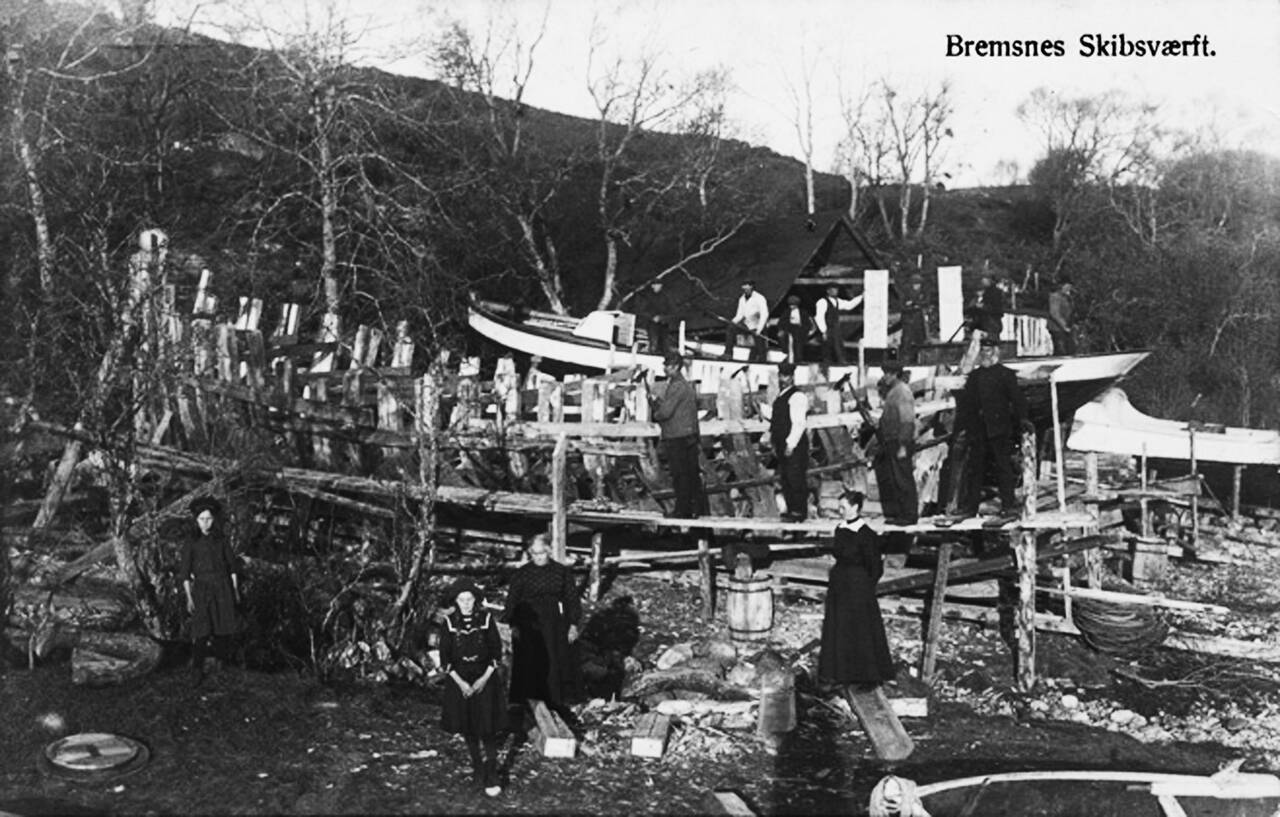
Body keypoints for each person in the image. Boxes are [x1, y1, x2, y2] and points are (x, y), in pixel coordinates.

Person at [817, 490, 895, 690]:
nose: (840, 511)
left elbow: (875, 567)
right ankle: (839, 674)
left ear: (855, 508)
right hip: (839, 586)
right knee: (840, 628)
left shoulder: (866, 534)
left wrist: (864, 588)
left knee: (861, 630)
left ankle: (868, 677)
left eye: (844, 507)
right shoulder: (840, 529)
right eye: (839, 507)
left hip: (858, 587)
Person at [439, 580, 507, 797]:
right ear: (455, 601)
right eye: (461, 600)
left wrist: (482, 679)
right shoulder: (449, 622)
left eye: (469, 599)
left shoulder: (486, 619)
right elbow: (445, 657)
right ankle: (478, 768)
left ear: (475, 600)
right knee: (468, 725)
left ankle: (492, 771)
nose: (466, 604)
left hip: (484, 677)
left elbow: (497, 652)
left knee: (486, 726)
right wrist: (461, 683)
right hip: (459, 679)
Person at [504, 534, 582, 715]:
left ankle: (555, 700)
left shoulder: (561, 572)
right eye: (534, 553)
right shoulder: (522, 573)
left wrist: (573, 624)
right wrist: (511, 623)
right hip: (528, 622)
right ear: (530, 553)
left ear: (548, 551)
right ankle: (526, 701)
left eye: (542, 553)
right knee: (529, 660)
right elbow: (512, 601)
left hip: (553, 622)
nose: (538, 557)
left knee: (554, 660)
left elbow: (571, 599)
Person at [957, 338, 1030, 516]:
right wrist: (965, 427)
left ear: (995, 352)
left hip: (999, 429)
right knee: (976, 468)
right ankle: (970, 508)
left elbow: (1017, 400)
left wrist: (1024, 421)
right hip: (979, 430)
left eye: (988, 351)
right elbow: (966, 405)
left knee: (1003, 467)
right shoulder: (974, 377)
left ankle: (1008, 506)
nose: (985, 355)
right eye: (982, 351)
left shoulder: (1005, 375)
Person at [179, 497, 242, 686]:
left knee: (223, 630)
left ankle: (219, 666)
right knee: (201, 631)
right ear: (195, 520)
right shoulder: (191, 542)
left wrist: (235, 591)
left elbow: (232, 568)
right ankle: (197, 670)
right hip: (202, 589)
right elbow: (184, 574)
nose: (205, 523)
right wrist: (189, 598)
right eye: (201, 519)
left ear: (214, 519)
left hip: (222, 588)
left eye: (208, 519)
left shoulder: (221, 540)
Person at [649, 352, 707, 518]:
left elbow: (666, 413)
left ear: (675, 367)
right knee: (691, 475)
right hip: (688, 435)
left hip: (677, 437)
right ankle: (696, 510)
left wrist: (655, 411)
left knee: (680, 475)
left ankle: (683, 510)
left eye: (667, 366)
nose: (665, 368)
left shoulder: (676, 386)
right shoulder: (684, 386)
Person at [874, 363, 918, 525]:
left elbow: (907, 421)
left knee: (903, 479)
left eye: (889, 374)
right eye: (885, 373)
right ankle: (901, 514)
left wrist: (902, 445)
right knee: (896, 479)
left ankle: (909, 515)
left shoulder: (902, 392)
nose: (885, 377)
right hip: (892, 441)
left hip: (900, 441)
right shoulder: (894, 392)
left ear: (896, 375)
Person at [768, 362, 810, 521]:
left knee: (795, 478)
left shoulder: (797, 396)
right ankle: (792, 510)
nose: (782, 379)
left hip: (794, 447)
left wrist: (791, 444)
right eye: (781, 375)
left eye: (786, 376)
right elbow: (779, 419)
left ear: (792, 377)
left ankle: (799, 512)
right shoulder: (781, 396)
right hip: (782, 445)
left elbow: (799, 423)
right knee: (786, 479)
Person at [814, 284, 863, 364]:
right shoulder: (822, 302)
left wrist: (861, 297)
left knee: (838, 345)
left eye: (836, 289)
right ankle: (827, 363)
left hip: (835, 327)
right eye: (833, 289)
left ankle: (841, 361)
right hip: (827, 327)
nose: (835, 291)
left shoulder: (837, 301)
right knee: (827, 347)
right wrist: (823, 330)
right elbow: (819, 317)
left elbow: (849, 305)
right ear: (828, 291)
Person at [724, 280, 769, 362]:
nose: (744, 288)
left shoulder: (760, 298)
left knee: (760, 344)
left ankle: (762, 359)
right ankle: (728, 353)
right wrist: (733, 322)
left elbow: (764, 314)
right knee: (731, 329)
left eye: (746, 286)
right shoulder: (742, 299)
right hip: (747, 324)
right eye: (744, 286)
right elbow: (739, 315)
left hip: (757, 324)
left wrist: (759, 329)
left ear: (751, 287)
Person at [633, 279, 674, 355]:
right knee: (653, 342)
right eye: (656, 285)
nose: (658, 286)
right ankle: (653, 354)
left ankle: (664, 356)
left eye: (660, 285)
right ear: (652, 286)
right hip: (652, 323)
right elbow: (642, 310)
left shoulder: (665, 296)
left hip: (664, 323)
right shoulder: (647, 297)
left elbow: (671, 310)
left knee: (665, 343)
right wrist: (652, 317)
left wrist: (663, 317)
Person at [898, 275, 929, 365]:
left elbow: (925, 302)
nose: (917, 286)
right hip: (908, 321)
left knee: (920, 340)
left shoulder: (922, 293)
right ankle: (905, 360)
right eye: (915, 284)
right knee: (906, 341)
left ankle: (919, 359)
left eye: (919, 284)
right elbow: (903, 306)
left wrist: (914, 303)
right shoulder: (906, 293)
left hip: (918, 321)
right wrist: (913, 306)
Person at [967, 273, 1005, 341]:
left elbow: (996, 309)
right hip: (984, 323)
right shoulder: (986, 292)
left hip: (991, 323)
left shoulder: (995, 292)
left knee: (990, 340)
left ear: (989, 280)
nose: (982, 281)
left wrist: (983, 307)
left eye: (984, 279)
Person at [776, 294, 813, 363]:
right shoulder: (786, 312)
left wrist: (806, 330)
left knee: (798, 346)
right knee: (789, 345)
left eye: (793, 304)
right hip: (789, 330)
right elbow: (781, 322)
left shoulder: (803, 312)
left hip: (800, 331)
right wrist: (781, 329)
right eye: (790, 304)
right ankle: (789, 357)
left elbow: (807, 323)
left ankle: (798, 359)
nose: (792, 306)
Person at [1048, 281, 1076, 355]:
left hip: (1066, 328)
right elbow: (1054, 313)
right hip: (1056, 328)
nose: (1069, 289)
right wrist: (1064, 326)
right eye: (1067, 287)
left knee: (1069, 349)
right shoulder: (1055, 296)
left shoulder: (1067, 297)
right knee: (1061, 350)